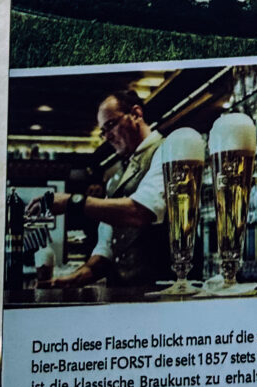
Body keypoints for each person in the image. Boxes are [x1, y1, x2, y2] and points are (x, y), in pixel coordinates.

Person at [52, 88, 170, 293]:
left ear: (136, 114)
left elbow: (141, 211)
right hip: (120, 296)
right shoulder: (115, 180)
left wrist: (72, 202)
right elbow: (106, 247)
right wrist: (77, 276)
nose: (107, 137)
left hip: (160, 297)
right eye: (103, 131)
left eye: (110, 125)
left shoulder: (167, 150)